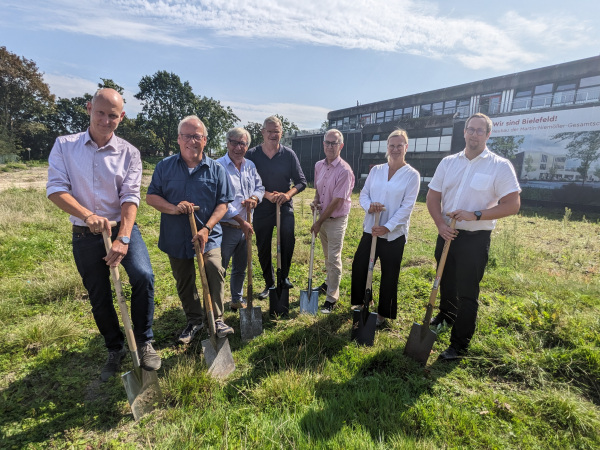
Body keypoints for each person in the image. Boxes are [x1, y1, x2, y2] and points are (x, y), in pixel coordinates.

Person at [46, 88, 160, 382]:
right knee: (99, 295)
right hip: (85, 234)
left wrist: (123, 238)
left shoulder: (129, 153)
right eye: (100, 113)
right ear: (89, 109)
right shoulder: (65, 146)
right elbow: (56, 190)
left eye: (113, 115)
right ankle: (115, 347)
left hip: (122, 229)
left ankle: (145, 342)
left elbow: (130, 197)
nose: (106, 120)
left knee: (143, 276)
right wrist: (87, 215)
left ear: (121, 117)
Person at [426, 113, 521, 361]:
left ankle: (459, 344)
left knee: (468, 292)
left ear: (488, 135)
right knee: (444, 281)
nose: (474, 135)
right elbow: (433, 197)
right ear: (464, 132)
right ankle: (446, 317)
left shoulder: (499, 166)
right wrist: (439, 224)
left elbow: (512, 205)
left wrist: (475, 214)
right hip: (447, 233)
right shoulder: (448, 162)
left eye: (480, 131)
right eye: (471, 129)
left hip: (475, 239)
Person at [146, 115, 234, 345]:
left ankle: (217, 318)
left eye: (196, 136)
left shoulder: (216, 170)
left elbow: (223, 203)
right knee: (184, 279)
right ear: (178, 139)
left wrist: (206, 228)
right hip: (176, 236)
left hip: (208, 235)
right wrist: (173, 208)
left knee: (214, 269)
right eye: (186, 136)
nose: (191, 141)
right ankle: (195, 319)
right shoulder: (164, 167)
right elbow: (151, 197)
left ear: (204, 140)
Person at [350, 129, 420, 327]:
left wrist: (387, 227)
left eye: (399, 146)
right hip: (371, 228)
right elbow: (364, 194)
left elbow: (407, 207)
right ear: (387, 148)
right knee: (360, 265)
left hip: (393, 234)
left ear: (406, 147)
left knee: (389, 273)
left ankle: (383, 313)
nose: (395, 149)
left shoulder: (411, 175)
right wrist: (369, 206)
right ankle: (364, 301)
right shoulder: (376, 170)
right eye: (392, 145)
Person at [246, 116, 307, 299]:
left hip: (284, 205)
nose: (274, 134)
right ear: (263, 132)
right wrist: (265, 195)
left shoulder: (289, 154)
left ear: (281, 133)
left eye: (277, 131)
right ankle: (269, 283)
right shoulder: (252, 155)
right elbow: (247, 182)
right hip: (262, 206)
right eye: (270, 131)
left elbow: (301, 181)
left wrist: (287, 195)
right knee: (263, 245)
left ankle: (284, 277)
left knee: (288, 237)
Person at [216, 127, 265, 310]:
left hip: (246, 227)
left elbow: (260, 187)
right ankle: (216, 303)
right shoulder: (218, 166)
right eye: (234, 142)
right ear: (227, 143)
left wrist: (254, 198)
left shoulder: (250, 166)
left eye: (242, 143)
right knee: (220, 268)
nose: (238, 147)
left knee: (240, 267)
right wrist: (240, 220)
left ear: (247, 146)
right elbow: (220, 200)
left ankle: (236, 300)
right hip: (226, 226)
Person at [311, 129, 355, 313]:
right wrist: (315, 201)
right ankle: (328, 283)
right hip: (322, 218)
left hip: (336, 220)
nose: (330, 146)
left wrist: (319, 221)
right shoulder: (319, 165)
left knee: (334, 258)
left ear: (341, 146)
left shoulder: (345, 171)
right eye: (327, 143)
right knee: (327, 255)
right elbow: (318, 189)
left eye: (334, 143)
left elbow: (337, 201)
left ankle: (331, 298)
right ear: (323, 144)